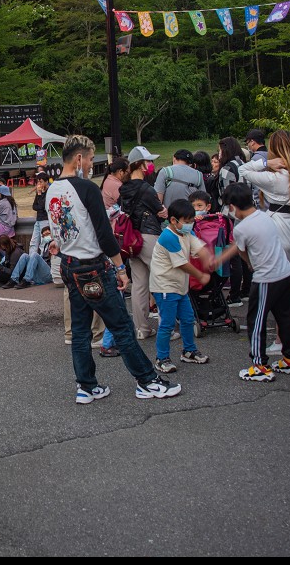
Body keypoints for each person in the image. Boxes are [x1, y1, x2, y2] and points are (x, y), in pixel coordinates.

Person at [47, 133, 181, 404]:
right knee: (121, 326)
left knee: (81, 331)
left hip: (69, 264)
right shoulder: (86, 189)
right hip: (93, 265)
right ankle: (146, 380)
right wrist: (120, 268)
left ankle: (86, 385)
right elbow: (104, 234)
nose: (90, 165)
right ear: (80, 158)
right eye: (89, 158)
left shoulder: (52, 189)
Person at [214, 184, 290, 381]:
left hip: (266, 279)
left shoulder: (242, 228)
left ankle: (260, 365)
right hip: (285, 274)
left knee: (256, 322)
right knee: (286, 319)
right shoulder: (265, 216)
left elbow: (243, 252)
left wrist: (247, 263)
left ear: (234, 206)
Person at [237, 130, 290, 353]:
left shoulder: (275, 177)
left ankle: (282, 340)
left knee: (283, 285)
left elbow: (243, 170)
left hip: (280, 227)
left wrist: (267, 163)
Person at [149, 198, 213, 372]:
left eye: (191, 221)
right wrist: (200, 275)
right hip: (164, 286)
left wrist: (208, 257)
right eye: (187, 221)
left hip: (179, 286)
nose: (190, 224)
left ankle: (189, 351)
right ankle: (161, 359)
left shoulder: (185, 233)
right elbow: (182, 264)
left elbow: (198, 248)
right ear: (173, 220)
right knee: (168, 325)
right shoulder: (168, 236)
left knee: (187, 319)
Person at [117, 145, 167, 342]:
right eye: (148, 161)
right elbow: (160, 211)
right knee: (162, 280)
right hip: (149, 236)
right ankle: (167, 326)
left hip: (132, 240)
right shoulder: (147, 188)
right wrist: (162, 211)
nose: (150, 165)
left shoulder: (124, 189)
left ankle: (142, 328)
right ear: (139, 164)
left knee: (139, 285)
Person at [217, 136, 251, 306]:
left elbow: (225, 194)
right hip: (247, 212)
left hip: (231, 215)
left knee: (235, 255)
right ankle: (247, 289)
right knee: (246, 252)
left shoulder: (226, 169)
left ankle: (235, 294)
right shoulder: (245, 166)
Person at [28, 174, 49, 256]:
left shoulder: (48, 192)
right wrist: (39, 194)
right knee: (33, 242)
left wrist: (39, 194)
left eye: (41, 182)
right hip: (38, 219)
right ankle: (31, 259)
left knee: (44, 242)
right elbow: (34, 206)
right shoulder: (39, 192)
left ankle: (43, 260)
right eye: (38, 182)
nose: (39, 184)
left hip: (45, 220)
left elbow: (42, 205)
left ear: (46, 182)